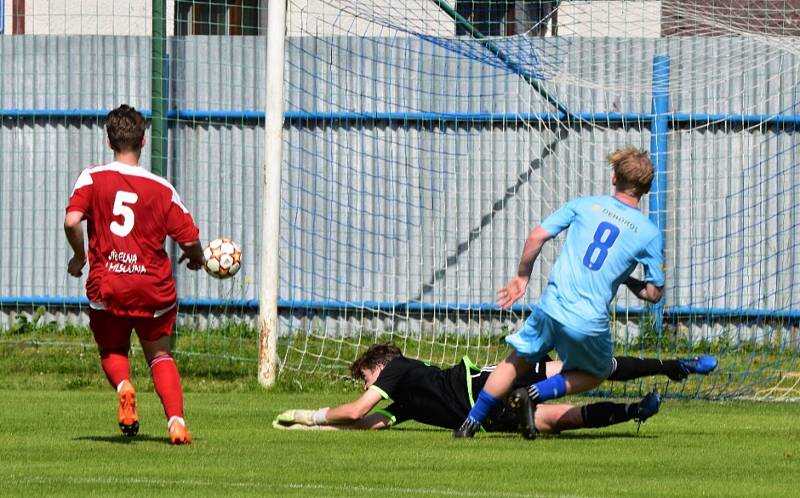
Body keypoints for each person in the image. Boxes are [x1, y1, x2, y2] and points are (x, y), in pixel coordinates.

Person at [455, 146, 666, 439]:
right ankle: (532, 393)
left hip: (551, 305)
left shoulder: (584, 204)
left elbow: (537, 235)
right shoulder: (649, 233)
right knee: (599, 371)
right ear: (646, 188)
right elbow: (654, 293)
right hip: (587, 319)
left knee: (516, 360)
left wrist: (521, 277)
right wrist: (628, 281)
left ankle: (469, 424)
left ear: (613, 178)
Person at [64, 104, 205, 445]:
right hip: (151, 286)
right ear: (143, 141)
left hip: (108, 283)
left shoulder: (93, 178)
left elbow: (71, 221)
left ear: (109, 139)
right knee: (159, 355)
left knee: (113, 350)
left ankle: (125, 386)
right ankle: (176, 422)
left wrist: (79, 256)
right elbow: (188, 238)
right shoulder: (161, 188)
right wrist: (197, 258)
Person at [272, 343, 717, 435]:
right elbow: (368, 423)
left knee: (582, 368)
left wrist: (309, 413)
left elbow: (354, 411)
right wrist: (309, 431)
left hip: (485, 384)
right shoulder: (407, 401)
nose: (370, 386)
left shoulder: (398, 370)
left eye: (365, 378)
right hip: (483, 416)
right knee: (553, 420)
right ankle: (634, 411)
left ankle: (674, 365)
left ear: (378, 365)